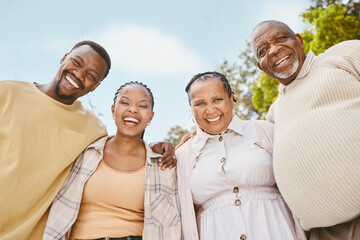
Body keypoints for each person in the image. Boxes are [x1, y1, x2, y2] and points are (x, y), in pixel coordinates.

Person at [0, 41, 175, 240]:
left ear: (95, 87)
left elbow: (124, 145)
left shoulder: (92, 129)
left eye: (91, 75)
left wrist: (157, 147)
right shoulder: (6, 93)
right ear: (64, 57)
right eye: (76, 62)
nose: (79, 74)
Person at [251, 20, 360, 239]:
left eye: (281, 38)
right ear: (261, 66)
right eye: (263, 51)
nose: (273, 50)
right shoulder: (273, 113)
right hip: (323, 233)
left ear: (298, 40)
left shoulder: (342, 56)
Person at [43, 81, 181, 240]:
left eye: (142, 106)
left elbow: (172, 222)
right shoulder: (85, 152)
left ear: (151, 116)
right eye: (125, 102)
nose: (133, 109)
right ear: (113, 109)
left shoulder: (163, 164)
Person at [176, 71, 302, 240]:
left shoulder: (264, 130)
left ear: (231, 98)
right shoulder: (183, 155)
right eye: (200, 103)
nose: (210, 109)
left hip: (276, 230)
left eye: (217, 99)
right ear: (191, 108)